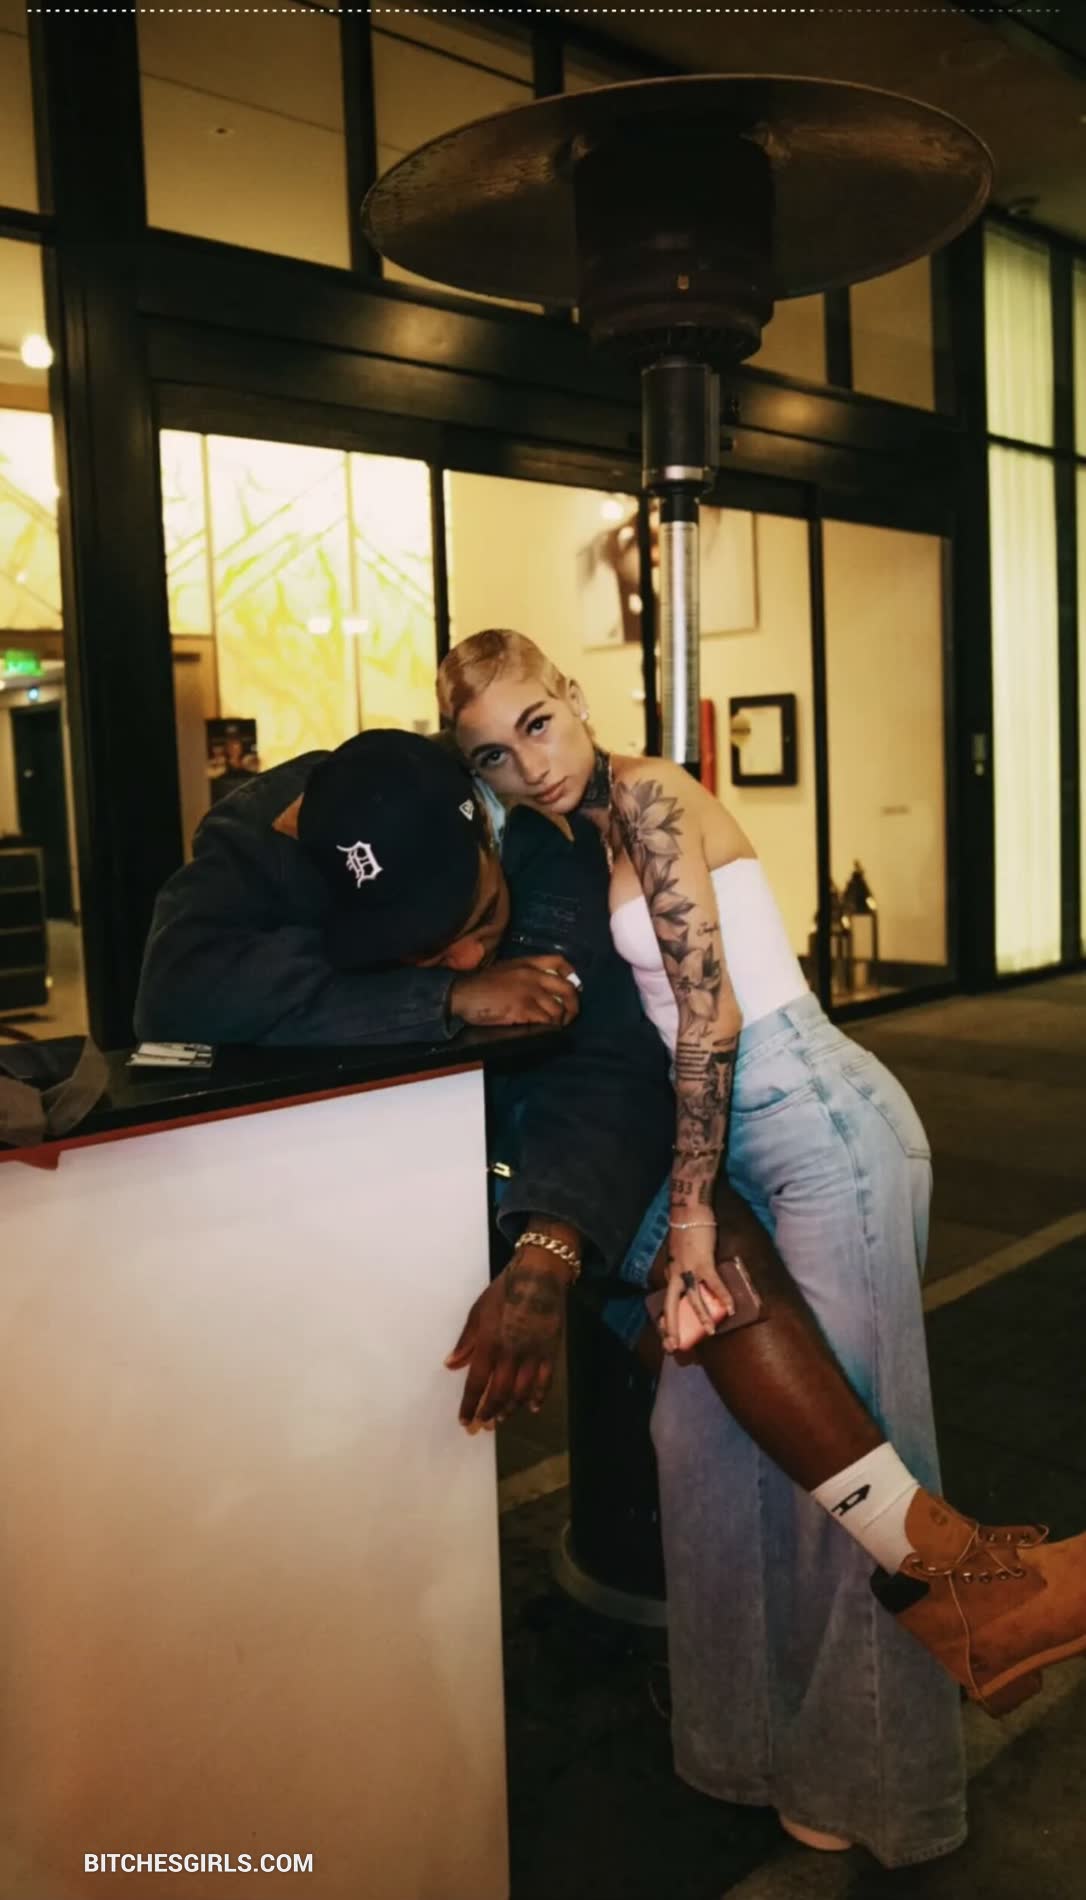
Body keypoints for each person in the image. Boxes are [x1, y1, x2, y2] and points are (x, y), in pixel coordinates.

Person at [437, 628, 1086, 1867]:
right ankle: (743, 1745)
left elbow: (711, 1013)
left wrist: (688, 1213)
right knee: (698, 1443)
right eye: (494, 753)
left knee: (856, 1449)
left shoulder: (650, 794)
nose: (530, 761)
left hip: (816, 1125)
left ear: (574, 698)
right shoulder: (563, 843)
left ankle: (880, 1783)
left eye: (536, 722)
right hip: (726, 1149)